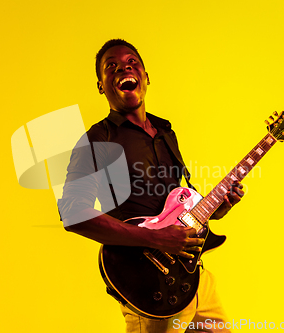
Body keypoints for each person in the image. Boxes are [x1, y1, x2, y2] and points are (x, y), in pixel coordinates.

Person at [58, 39, 244, 333]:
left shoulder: (165, 132)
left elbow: (172, 206)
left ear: (146, 77)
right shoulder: (98, 139)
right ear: (101, 86)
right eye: (112, 66)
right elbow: (72, 213)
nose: (124, 68)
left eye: (132, 62)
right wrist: (154, 239)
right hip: (149, 287)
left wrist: (214, 210)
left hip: (195, 278)